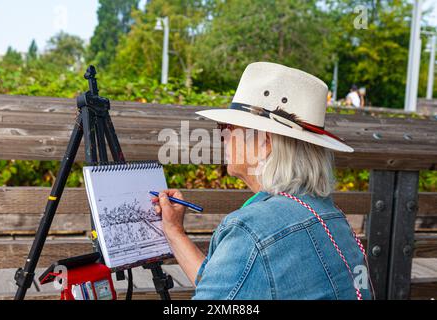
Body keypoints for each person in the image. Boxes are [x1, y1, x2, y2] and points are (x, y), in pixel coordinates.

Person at [152, 62, 373, 300]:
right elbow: (229, 286)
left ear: (263, 142)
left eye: (227, 127)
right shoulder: (329, 215)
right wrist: (174, 231)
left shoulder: (251, 229)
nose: (222, 136)